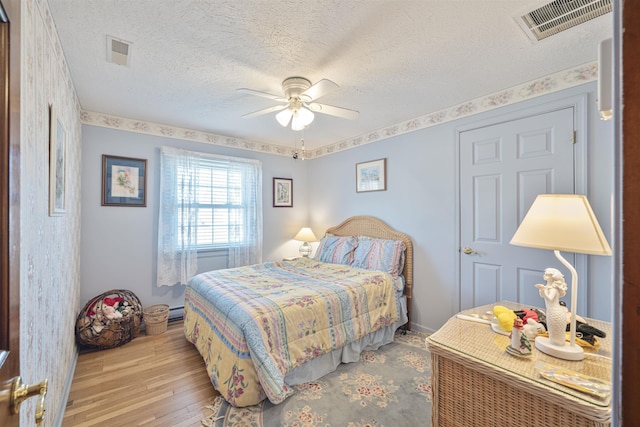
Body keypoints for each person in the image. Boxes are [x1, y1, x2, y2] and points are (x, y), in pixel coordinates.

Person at [535, 268, 568, 346]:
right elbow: (542, 296)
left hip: (555, 312)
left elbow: (549, 299)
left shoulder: (554, 289)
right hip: (550, 311)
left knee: (556, 330)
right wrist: (541, 290)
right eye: (545, 274)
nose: (545, 276)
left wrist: (543, 290)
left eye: (548, 275)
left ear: (553, 277)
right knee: (551, 329)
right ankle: (553, 343)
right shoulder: (548, 287)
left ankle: (558, 344)